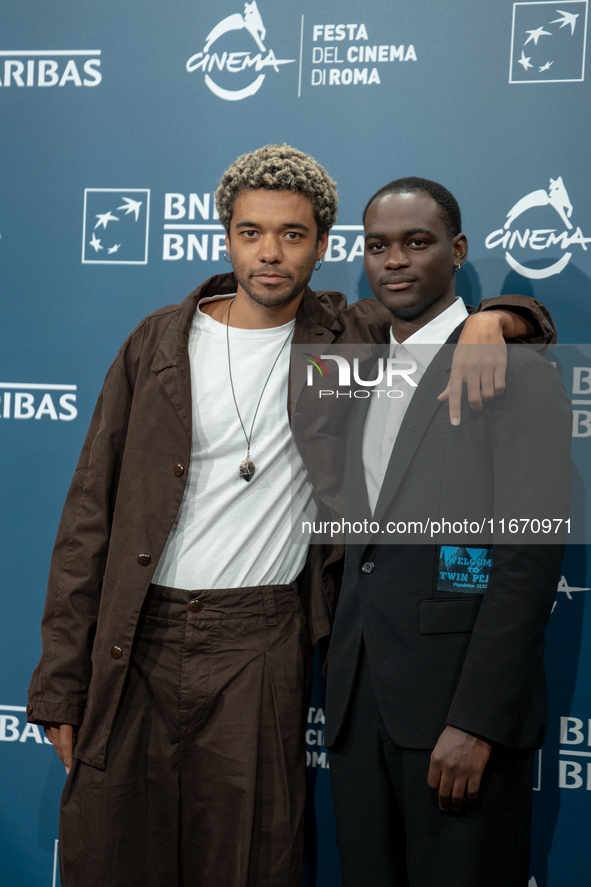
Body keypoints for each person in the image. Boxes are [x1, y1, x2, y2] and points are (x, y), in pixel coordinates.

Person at [27, 148, 555, 887]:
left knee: (249, 856)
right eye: (250, 232)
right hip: (134, 637)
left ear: (323, 246)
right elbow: (89, 515)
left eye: (292, 235)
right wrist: (60, 679)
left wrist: (500, 317)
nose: (270, 253)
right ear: (225, 236)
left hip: (261, 638)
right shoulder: (156, 343)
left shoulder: (345, 336)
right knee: (114, 850)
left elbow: (439, 313)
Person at [323, 177, 572, 887]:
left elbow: (527, 559)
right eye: (377, 245)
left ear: (456, 251)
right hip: (356, 713)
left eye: (416, 242)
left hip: (456, 723)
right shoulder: (357, 369)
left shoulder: (512, 368)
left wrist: (477, 722)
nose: (394, 260)